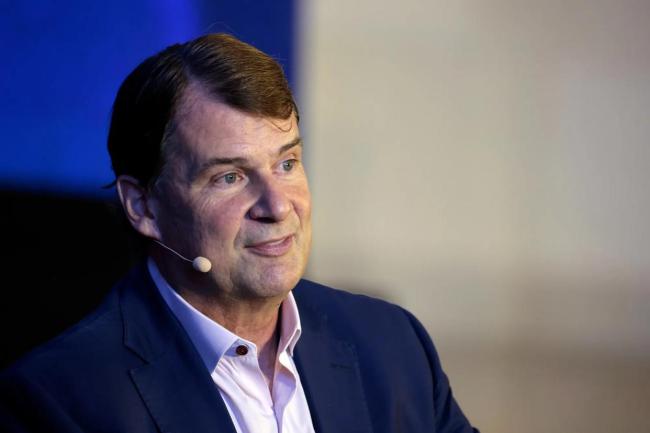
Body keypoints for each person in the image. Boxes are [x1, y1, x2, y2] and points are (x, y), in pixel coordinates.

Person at [0, 33, 479, 433]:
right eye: (230, 177)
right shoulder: (59, 400)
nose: (278, 206)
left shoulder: (393, 346)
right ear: (143, 206)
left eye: (287, 163)